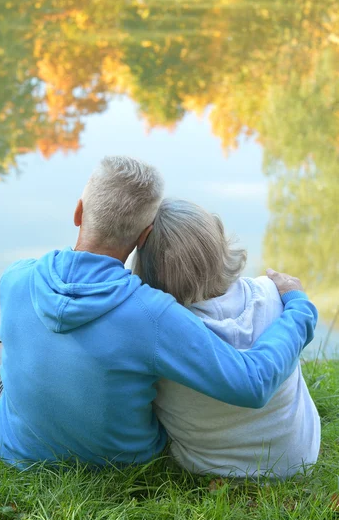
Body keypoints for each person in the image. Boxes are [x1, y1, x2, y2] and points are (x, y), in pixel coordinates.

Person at [0, 156, 317, 470]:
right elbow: (252, 382)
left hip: (16, 447)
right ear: (144, 236)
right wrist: (299, 307)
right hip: (120, 461)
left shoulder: (17, 276)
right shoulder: (153, 314)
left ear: (78, 212)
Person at [133, 198, 321, 479]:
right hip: (298, 459)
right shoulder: (275, 294)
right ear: (218, 241)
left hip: (210, 467)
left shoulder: (155, 330)